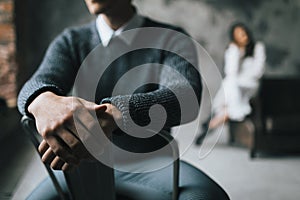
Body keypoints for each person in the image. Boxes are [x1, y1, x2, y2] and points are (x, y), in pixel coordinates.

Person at [17, 0, 218, 199]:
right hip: (82, 164)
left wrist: (114, 114)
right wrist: (42, 100)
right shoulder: (71, 40)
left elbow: (184, 97)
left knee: (207, 196)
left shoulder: (171, 38)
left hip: (152, 162)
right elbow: (36, 84)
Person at [195, 22, 266, 145]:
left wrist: (240, 78)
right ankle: (218, 120)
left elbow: (258, 72)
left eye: (243, 33)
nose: (243, 36)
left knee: (230, 85)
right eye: (238, 35)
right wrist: (237, 53)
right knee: (230, 87)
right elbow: (231, 72)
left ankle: (211, 123)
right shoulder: (233, 50)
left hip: (250, 87)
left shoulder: (258, 47)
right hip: (234, 88)